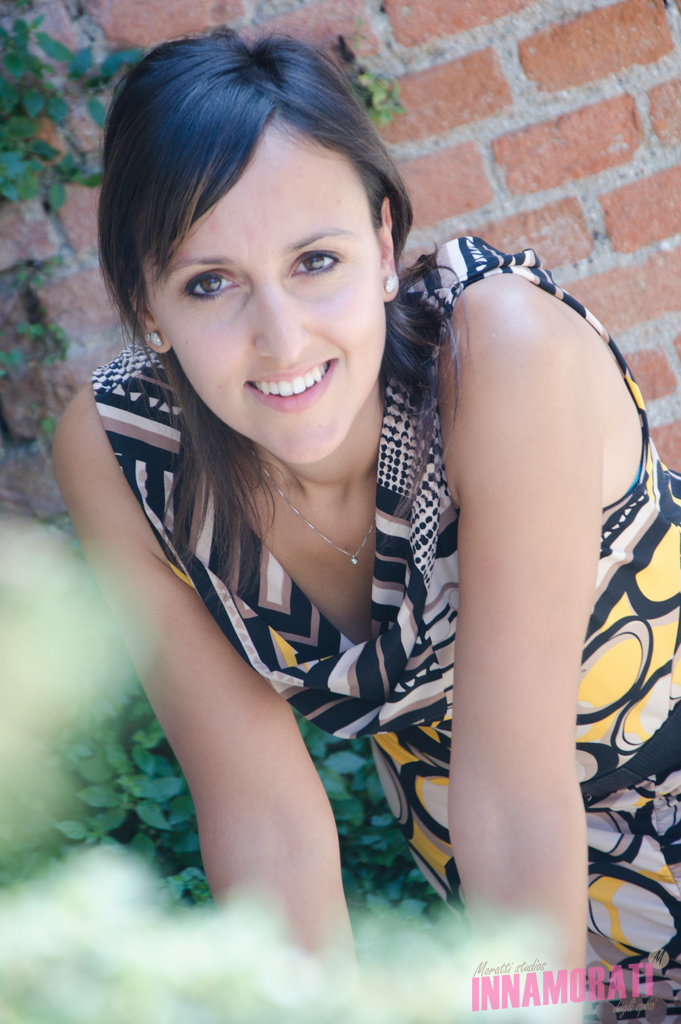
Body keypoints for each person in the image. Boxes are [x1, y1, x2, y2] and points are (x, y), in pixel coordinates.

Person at [52, 28, 681, 1020]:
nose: (281, 338)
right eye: (209, 282)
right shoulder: (124, 458)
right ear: (146, 305)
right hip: (541, 924)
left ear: (384, 246)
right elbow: (265, 824)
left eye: (316, 261)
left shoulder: (500, 355)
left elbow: (515, 799)